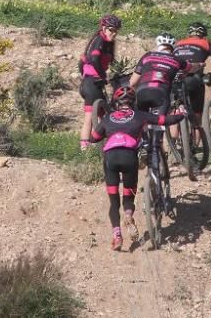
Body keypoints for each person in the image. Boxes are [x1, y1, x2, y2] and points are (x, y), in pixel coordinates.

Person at [89, 85, 186, 251]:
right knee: (128, 197)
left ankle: (117, 235)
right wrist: (181, 116)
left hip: (110, 158)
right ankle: (128, 215)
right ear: (133, 102)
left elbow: (94, 138)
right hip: (129, 158)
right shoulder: (140, 115)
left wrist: (104, 124)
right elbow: (164, 120)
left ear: (116, 102)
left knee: (113, 202)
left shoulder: (108, 118)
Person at [79, 14, 121, 151]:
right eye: (111, 30)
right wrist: (102, 76)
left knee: (104, 115)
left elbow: (82, 63)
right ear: (103, 28)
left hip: (91, 83)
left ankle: (103, 145)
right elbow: (94, 59)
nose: (113, 33)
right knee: (90, 117)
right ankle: (86, 149)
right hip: (92, 83)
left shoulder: (107, 42)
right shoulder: (99, 40)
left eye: (116, 31)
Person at [128, 32, 188, 117]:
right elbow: (190, 68)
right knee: (160, 123)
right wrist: (200, 65)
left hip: (142, 92)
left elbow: (132, 83)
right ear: (173, 47)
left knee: (141, 124)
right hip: (161, 93)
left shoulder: (147, 56)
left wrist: (135, 98)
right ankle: (158, 129)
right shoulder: (177, 60)